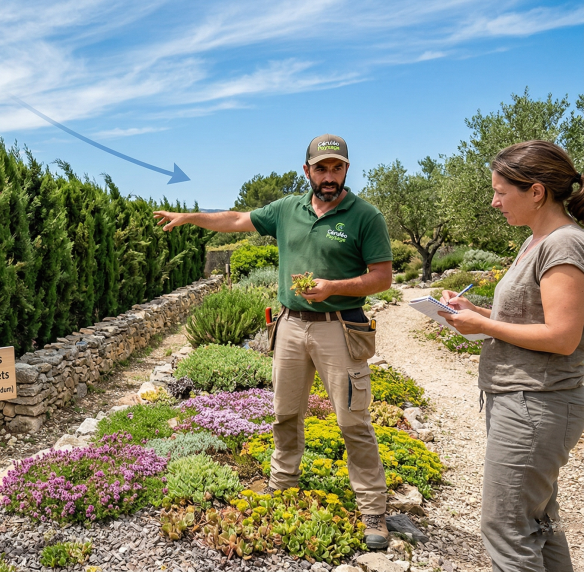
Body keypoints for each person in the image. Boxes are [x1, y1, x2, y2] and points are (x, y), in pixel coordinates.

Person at [154, 134, 395, 549]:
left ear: (347, 170)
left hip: (340, 326)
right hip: (289, 326)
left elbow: (382, 277)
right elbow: (235, 220)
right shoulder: (287, 209)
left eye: (337, 168)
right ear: (307, 172)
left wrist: (332, 285)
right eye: (321, 168)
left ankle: (372, 508)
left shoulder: (365, 216)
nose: (329, 176)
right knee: (284, 413)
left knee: (352, 421)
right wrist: (191, 217)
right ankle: (282, 486)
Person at [439, 140, 584, 571]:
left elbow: (563, 336)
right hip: (526, 401)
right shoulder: (538, 241)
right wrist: (476, 312)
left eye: (501, 191)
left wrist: (482, 326)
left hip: (536, 403)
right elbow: (532, 315)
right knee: (538, 521)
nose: (494, 201)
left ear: (536, 192)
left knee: (505, 529)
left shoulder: (563, 245)